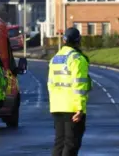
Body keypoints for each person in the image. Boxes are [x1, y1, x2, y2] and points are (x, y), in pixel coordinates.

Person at [48, 27, 92, 156]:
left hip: (57, 106)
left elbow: (50, 84)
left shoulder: (55, 58)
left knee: (59, 143)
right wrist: (79, 108)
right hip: (72, 108)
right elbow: (79, 85)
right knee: (71, 144)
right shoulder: (77, 59)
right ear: (78, 41)